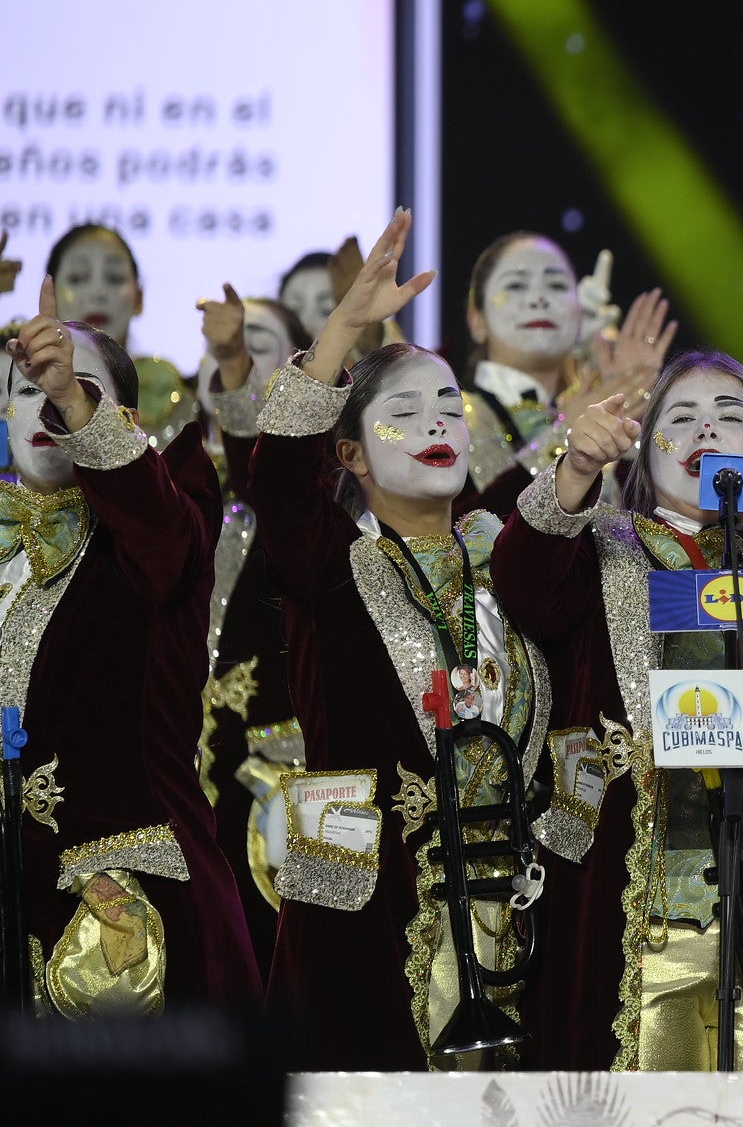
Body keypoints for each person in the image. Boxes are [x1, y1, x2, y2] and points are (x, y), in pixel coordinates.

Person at [240, 210, 567, 1068]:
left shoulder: (509, 559)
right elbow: (277, 480)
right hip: (364, 924)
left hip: (512, 918)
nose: (436, 424)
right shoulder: (330, 566)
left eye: (449, 408)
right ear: (347, 451)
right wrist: (346, 325)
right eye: (405, 412)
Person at [493, 351, 743, 1071]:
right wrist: (574, 472)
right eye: (680, 418)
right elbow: (523, 583)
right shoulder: (602, 553)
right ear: (643, 452)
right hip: (642, 919)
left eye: (730, 416)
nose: (706, 430)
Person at [2, 276, 260, 1013]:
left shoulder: (168, 505)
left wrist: (73, 403)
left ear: (121, 412)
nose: (48, 401)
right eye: (28, 388)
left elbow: (164, 543)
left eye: (76, 385)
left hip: (140, 921)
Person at [193, 285, 312, 973]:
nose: (247, 356)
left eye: (270, 347)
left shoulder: (312, 492)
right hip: (186, 749)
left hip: (274, 762)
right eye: (234, 346)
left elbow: (261, 463)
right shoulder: (184, 481)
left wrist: (237, 363)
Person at [461, 231, 674, 517]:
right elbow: (465, 531)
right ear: (477, 321)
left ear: (578, 316)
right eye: (516, 285)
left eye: (556, 285)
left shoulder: (595, 405)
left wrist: (636, 418)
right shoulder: (454, 416)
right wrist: (567, 432)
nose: (539, 299)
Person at [46, 223, 197, 447]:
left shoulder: (170, 396)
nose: (97, 294)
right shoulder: (24, 390)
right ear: (51, 294)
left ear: (139, 298)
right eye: (77, 278)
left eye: (114, 278)